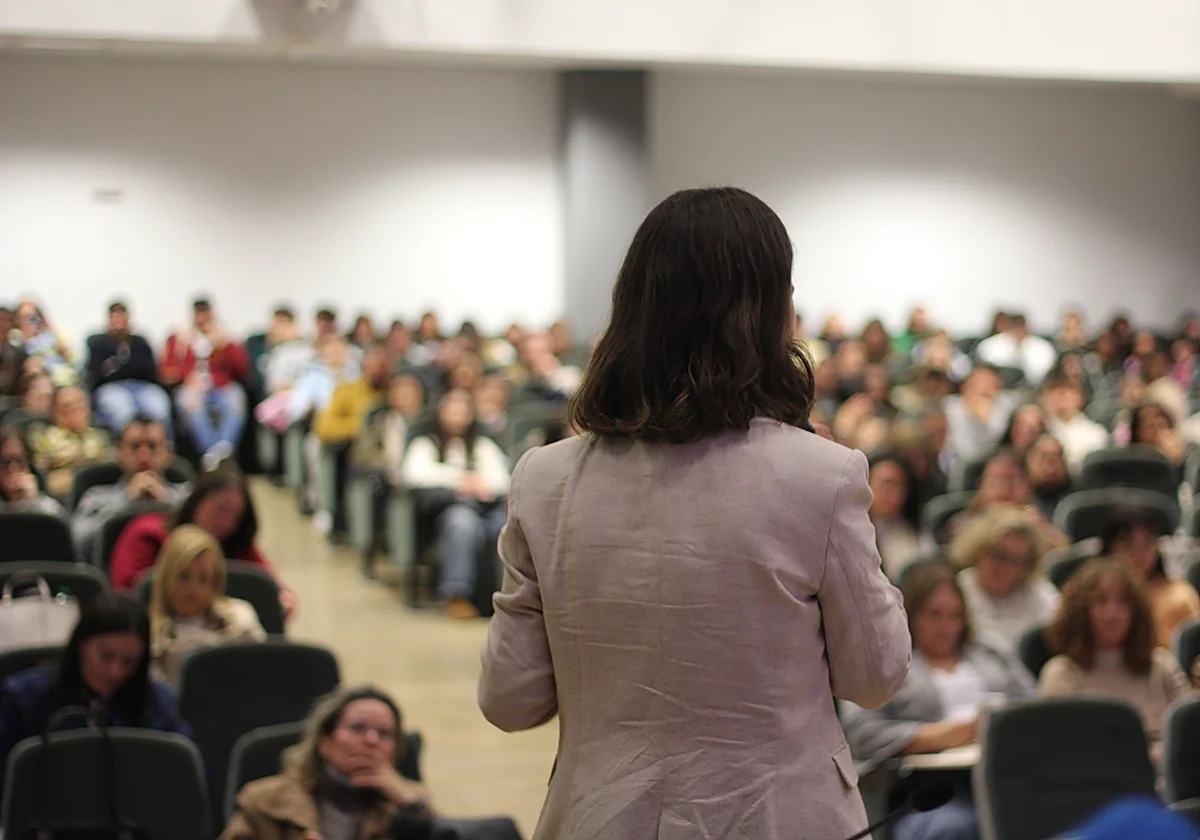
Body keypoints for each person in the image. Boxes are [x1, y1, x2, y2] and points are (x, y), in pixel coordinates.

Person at [479, 187, 911, 840]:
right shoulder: (822, 475)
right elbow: (875, 675)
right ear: (771, 314)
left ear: (630, 313)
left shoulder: (545, 479)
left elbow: (510, 700)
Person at [841, 562, 1034, 840]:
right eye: (934, 615)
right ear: (909, 614)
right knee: (953, 827)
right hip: (928, 791)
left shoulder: (990, 650)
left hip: (1006, 776)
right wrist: (940, 735)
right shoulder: (884, 665)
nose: (946, 627)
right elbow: (859, 733)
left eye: (955, 616)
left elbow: (1034, 708)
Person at [0, 593, 191, 794]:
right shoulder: (24, 698)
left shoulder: (158, 704)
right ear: (82, 644)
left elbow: (182, 777)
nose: (115, 672)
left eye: (129, 662)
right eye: (106, 656)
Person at [110, 463, 297, 615]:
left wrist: (283, 600)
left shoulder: (236, 545)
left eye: (236, 516)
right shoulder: (148, 535)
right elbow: (125, 600)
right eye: (220, 509)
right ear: (197, 501)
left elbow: (280, 592)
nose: (227, 523)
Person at [1040, 559, 1191, 747]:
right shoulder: (1062, 673)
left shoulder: (1162, 666)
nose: (1112, 613)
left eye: (1123, 602)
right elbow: (1064, 747)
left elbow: (1190, 734)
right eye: (1101, 601)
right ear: (1080, 612)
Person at [402, 389, 509, 619]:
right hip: (445, 508)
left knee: (503, 527)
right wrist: (459, 480)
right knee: (462, 525)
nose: (457, 416)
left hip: (485, 507)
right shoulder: (426, 443)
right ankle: (457, 594)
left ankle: (502, 596)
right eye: (453, 410)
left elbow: (501, 478)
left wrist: (480, 484)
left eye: (463, 411)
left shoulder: (482, 444)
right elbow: (415, 474)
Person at [148, 525, 266, 686]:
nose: (192, 589)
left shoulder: (241, 619)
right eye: (183, 577)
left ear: (215, 585)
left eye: (203, 579)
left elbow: (264, 675)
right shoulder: (149, 633)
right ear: (166, 578)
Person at [71, 416, 190, 562]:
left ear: (168, 453)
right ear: (120, 452)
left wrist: (168, 502)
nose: (144, 456)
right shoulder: (96, 497)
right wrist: (125, 501)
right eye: (135, 447)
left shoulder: (187, 497)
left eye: (152, 447)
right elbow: (76, 544)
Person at [950, 507, 1060, 651]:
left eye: (1015, 561)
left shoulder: (1039, 592)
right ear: (978, 550)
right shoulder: (957, 591)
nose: (1004, 568)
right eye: (998, 555)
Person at [161, 298, 251, 468]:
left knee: (236, 400)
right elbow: (168, 370)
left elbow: (242, 369)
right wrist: (187, 377)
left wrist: (226, 344)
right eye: (199, 313)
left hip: (221, 387)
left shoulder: (225, 337)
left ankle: (222, 450)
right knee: (189, 403)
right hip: (192, 387)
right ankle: (212, 452)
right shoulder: (179, 338)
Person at [1101, 511, 1200, 649]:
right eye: (1128, 545)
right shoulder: (1091, 596)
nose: (1140, 553)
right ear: (1109, 549)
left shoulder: (1180, 595)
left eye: (1148, 543)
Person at [87, 301, 173, 439]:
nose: (119, 323)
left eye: (122, 318)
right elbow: (96, 373)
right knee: (122, 410)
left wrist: (118, 367)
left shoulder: (140, 342)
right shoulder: (97, 344)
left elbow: (149, 370)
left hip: (142, 387)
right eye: (115, 318)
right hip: (112, 388)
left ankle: (164, 450)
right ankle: (128, 452)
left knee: (158, 406)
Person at [29, 384, 113, 501]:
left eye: (80, 404)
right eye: (67, 406)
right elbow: (43, 476)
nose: (76, 410)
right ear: (54, 412)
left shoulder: (100, 436)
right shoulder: (43, 438)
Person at [944, 367, 1019, 466]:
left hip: (994, 464)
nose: (981, 388)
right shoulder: (949, 407)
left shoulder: (1007, 406)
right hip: (952, 464)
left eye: (989, 384)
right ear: (964, 387)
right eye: (976, 384)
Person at [1040, 371, 1109, 473]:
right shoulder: (1037, 430)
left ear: (1080, 397)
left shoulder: (1096, 434)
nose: (1060, 397)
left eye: (1067, 391)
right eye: (1053, 391)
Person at [869, 454, 921, 581]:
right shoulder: (849, 529)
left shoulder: (913, 530)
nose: (893, 493)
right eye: (886, 484)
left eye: (900, 486)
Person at [975, 313, 1057, 386]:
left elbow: (1046, 371)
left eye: (1021, 327)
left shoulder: (1043, 347)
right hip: (1001, 387)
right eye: (1016, 327)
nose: (1019, 332)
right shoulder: (990, 345)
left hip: (1035, 387)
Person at [0, 428, 65, 516]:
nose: (13, 469)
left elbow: (62, 525)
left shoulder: (40, 501)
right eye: (4, 463)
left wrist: (31, 501)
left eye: (19, 461)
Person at [14, 300, 75, 386]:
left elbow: (71, 358)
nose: (29, 322)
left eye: (33, 318)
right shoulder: (14, 341)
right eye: (23, 318)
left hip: (58, 379)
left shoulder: (52, 337)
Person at [1023, 433, 1073, 519]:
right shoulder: (1015, 498)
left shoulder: (1076, 500)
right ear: (1029, 460)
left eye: (1057, 457)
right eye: (1044, 457)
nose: (1051, 469)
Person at [1128, 401, 1188, 466]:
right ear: (1137, 431)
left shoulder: (1186, 455)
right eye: (1151, 426)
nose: (1158, 432)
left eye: (1162, 424)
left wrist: (1177, 458)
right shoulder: (1129, 460)